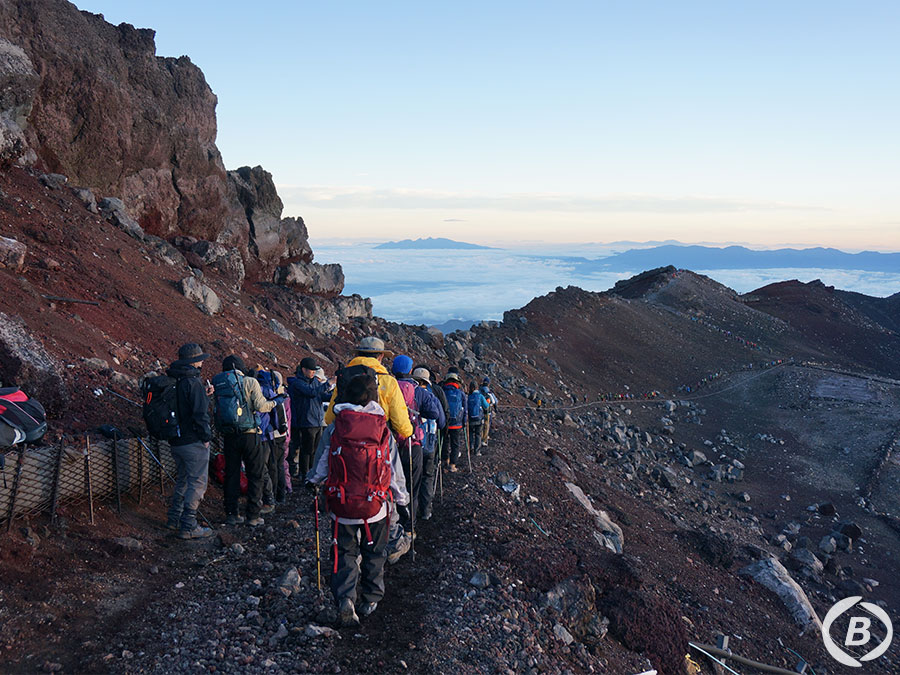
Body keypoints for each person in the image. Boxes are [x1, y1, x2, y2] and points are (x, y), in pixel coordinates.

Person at [306, 371, 409, 627]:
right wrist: (403, 501)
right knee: (375, 551)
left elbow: (321, 464)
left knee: (344, 551)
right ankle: (371, 599)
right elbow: (392, 469)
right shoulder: (382, 428)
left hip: (341, 505)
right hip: (376, 505)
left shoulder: (336, 427)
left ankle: (346, 599)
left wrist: (312, 482)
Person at [215, 355, 276, 526]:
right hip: (249, 434)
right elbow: (260, 406)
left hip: (229, 435)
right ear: (241, 368)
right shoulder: (250, 382)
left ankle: (231, 513)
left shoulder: (218, 382)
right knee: (255, 474)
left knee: (231, 474)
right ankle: (253, 515)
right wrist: (274, 403)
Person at [165, 343, 215, 539]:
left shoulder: (173, 379)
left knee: (183, 479)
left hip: (175, 440)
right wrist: (206, 438)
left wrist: (205, 396)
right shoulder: (193, 382)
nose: (202, 361)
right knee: (197, 483)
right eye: (200, 358)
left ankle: (173, 518)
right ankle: (188, 525)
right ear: (194, 361)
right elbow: (199, 414)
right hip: (193, 441)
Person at [391, 356, 444, 525]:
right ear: (410, 371)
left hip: (389, 444)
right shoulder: (419, 392)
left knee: (391, 485)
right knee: (412, 486)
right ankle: (409, 526)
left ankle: (392, 525)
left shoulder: (386, 388)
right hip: (412, 444)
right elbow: (435, 414)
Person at [287, 357, 335, 478]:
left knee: (315, 450)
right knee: (307, 450)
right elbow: (311, 392)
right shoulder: (298, 383)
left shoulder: (315, 382)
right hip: (307, 421)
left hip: (318, 421)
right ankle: (304, 473)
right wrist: (329, 383)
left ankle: (312, 473)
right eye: (311, 370)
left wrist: (335, 395)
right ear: (304, 370)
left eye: (314, 370)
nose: (313, 373)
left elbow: (322, 396)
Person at [412, 367, 447, 520]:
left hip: (413, 442)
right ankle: (426, 511)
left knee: (411, 477)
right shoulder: (433, 397)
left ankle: (409, 514)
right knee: (427, 476)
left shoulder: (409, 394)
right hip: (430, 443)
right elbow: (442, 422)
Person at [440, 371, 467, 472]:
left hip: (445, 423)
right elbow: (465, 409)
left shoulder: (442, 391)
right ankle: (452, 465)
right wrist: (464, 422)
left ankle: (444, 461)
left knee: (445, 442)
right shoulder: (461, 393)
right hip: (457, 424)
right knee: (455, 444)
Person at [467, 381, 489, 455]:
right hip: (478, 419)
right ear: (477, 387)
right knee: (478, 434)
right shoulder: (480, 396)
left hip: (470, 419)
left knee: (470, 434)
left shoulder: (469, 397)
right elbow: (486, 406)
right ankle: (477, 451)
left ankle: (471, 448)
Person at [479, 377, 498, 447]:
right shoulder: (489, 392)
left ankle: (479, 438)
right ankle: (484, 439)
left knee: (481, 425)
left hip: (480, 411)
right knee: (486, 425)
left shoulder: (479, 391)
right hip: (487, 411)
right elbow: (495, 401)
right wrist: (496, 409)